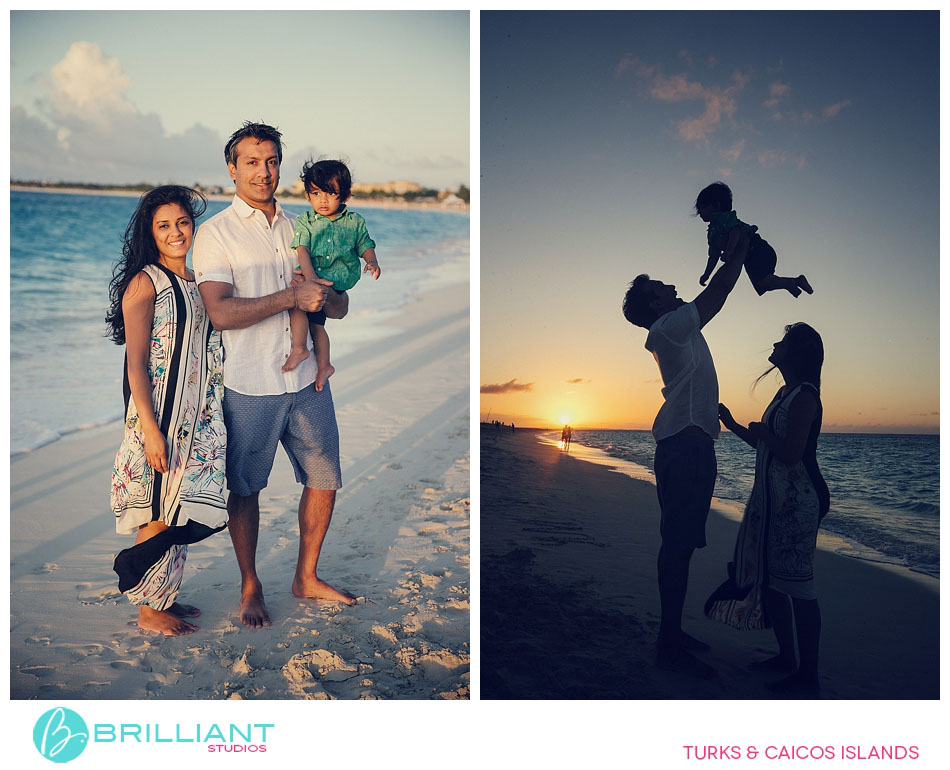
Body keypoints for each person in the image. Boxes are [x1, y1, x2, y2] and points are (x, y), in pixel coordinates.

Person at [193, 121, 354, 630]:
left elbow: (341, 305)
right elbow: (219, 312)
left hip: (308, 382)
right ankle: (250, 585)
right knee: (246, 489)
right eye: (252, 162)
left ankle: (306, 576)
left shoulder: (305, 227)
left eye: (271, 161)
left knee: (325, 478)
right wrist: (290, 296)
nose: (264, 172)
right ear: (232, 168)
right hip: (249, 385)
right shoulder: (215, 234)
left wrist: (324, 296)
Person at [621, 226, 750, 678]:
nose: (673, 288)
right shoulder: (668, 327)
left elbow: (710, 296)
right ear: (655, 303)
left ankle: (672, 635)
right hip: (684, 444)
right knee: (676, 546)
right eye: (663, 288)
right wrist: (740, 253)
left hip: (694, 442)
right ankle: (668, 642)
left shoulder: (677, 328)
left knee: (682, 546)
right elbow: (717, 293)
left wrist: (730, 250)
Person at [107, 186, 228, 636]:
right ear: (150, 233)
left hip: (200, 418)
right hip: (159, 418)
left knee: (185, 508)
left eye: (182, 222)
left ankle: (162, 595)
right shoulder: (146, 282)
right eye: (164, 226)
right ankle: (146, 606)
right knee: (159, 508)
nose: (176, 232)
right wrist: (151, 430)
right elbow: (135, 363)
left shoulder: (201, 281)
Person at [710, 323, 830, 696]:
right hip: (775, 501)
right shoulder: (785, 392)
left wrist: (763, 434)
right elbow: (767, 447)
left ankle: (807, 676)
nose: (775, 343)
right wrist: (732, 424)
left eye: (784, 340)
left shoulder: (806, 396)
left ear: (796, 353)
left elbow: (792, 453)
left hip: (797, 503)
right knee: (775, 582)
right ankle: (786, 658)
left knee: (799, 587)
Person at [282, 159, 380, 390]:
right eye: (316, 193)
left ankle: (305, 353)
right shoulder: (305, 221)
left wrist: (372, 260)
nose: (322, 200)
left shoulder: (354, 222)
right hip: (312, 275)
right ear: (307, 195)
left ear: (344, 196)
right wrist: (310, 278)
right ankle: (316, 360)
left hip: (337, 279)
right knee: (311, 319)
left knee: (309, 314)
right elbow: (302, 249)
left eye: (330, 193)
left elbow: (364, 243)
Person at [695, 181, 812, 298]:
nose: (699, 212)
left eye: (702, 207)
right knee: (763, 283)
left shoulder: (723, 219)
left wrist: (729, 250)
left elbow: (735, 231)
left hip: (756, 248)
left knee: (763, 281)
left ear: (716, 205)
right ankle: (792, 283)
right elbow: (713, 256)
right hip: (751, 255)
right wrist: (707, 274)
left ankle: (792, 283)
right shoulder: (712, 233)